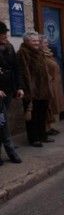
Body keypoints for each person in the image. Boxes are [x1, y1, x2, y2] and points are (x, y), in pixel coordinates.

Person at [17, 31, 53, 148]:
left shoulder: (39, 52)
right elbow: (23, 72)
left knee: (42, 113)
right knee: (32, 116)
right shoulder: (23, 52)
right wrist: (27, 89)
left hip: (43, 89)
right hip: (31, 90)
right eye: (34, 41)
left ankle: (42, 135)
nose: (37, 43)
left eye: (38, 40)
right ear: (27, 41)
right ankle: (34, 138)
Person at [0, 21, 23, 164]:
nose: (5, 36)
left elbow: (16, 69)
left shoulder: (9, 48)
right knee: (1, 121)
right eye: (2, 34)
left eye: (5, 34)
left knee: (2, 121)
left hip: (8, 89)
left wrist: (19, 87)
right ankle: (11, 151)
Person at [40, 35, 64, 136]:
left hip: (55, 84)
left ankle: (49, 127)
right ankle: (45, 128)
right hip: (48, 85)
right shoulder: (41, 55)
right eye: (45, 43)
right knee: (48, 107)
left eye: (47, 42)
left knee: (52, 107)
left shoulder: (49, 54)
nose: (47, 44)